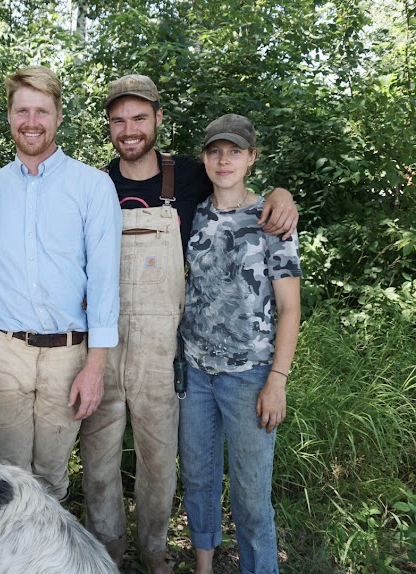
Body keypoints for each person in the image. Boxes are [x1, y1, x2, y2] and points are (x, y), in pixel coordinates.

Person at [78, 74, 299, 573]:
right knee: (100, 462)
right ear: (109, 127)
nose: (129, 129)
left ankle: (156, 555)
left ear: (158, 119)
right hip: (114, 346)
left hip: (174, 352)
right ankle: (107, 554)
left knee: (161, 465)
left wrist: (282, 193)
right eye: (119, 120)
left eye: (139, 118)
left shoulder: (194, 176)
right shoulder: (92, 185)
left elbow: (248, 191)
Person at [0, 65, 122, 501]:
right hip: (6, 351)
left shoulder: (93, 186)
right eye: (22, 110)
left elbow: (104, 282)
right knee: (8, 475)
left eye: (42, 111)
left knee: (52, 476)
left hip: (68, 354)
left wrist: (95, 367)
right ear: (9, 116)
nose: (31, 121)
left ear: (59, 116)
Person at [178, 114, 301, 574]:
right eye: (214, 151)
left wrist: (278, 381)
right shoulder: (193, 212)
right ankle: (204, 567)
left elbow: (290, 308)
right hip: (194, 372)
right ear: (205, 158)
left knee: (251, 498)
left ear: (252, 157)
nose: (223, 159)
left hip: (249, 376)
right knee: (198, 481)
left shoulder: (272, 219)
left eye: (234, 151)